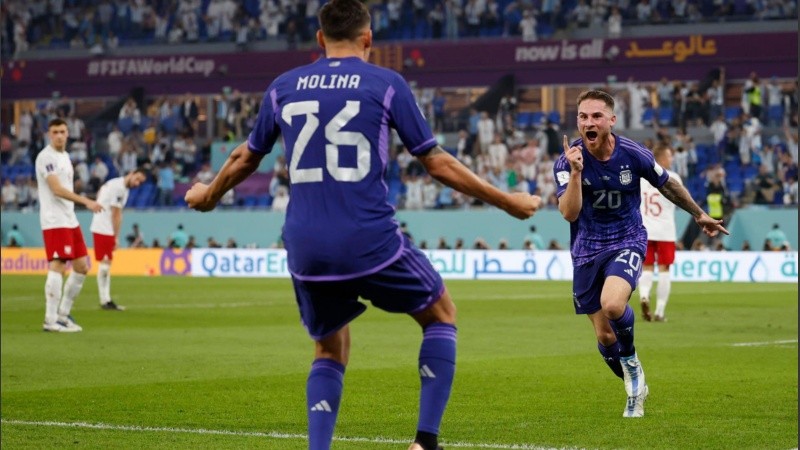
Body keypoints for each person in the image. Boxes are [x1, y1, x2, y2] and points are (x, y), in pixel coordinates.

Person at [185, 1, 542, 448]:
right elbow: (435, 161)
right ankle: (424, 442)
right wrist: (506, 201)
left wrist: (209, 194)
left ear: (320, 39)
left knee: (329, 348)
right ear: (368, 38)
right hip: (367, 235)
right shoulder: (386, 84)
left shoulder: (283, 87)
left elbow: (245, 156)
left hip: (305, 243)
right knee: (440, 315)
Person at [554, 90, 728, 418]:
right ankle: (633, 379)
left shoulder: (633, 154)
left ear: (611, 120)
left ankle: (632, 362)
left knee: (614, 304)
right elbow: (569, 214)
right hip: (586, 250)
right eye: (582, 117)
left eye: (596, 116)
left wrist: (698, 213)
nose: (588, 122)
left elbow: (667, 184)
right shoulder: (567, 161)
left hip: (627, 240)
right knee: (605, 336)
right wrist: (576, 173)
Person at [35, 118, 104, 332]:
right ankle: (50, 319)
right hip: (55, 219)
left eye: (62, 131)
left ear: (68, 134)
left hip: (69, 218)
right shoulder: (46, 157)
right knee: (58, 264)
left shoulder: (65, 157)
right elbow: (56, 189)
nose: (58, 135)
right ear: (49, 134)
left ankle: (63, 314)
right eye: (54, 131)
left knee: (82, 266)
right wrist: (86, 201)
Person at [89, 168, 148, 311]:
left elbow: (101, 191)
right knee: (105, 264)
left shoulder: (116, 184)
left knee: (106, 263)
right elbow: (116, 214)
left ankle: (106, 299)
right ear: (132, 172)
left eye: (140, 182)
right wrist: (116, 237)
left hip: (102, 226)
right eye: (137, 179)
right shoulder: (120, 189)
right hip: (104, 228)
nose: (137, 183)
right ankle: (105, 300)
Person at [638, 143, 681, 322]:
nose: (671, 159)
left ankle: (644, 295)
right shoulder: (672, 177)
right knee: (664, 269)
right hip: (665, 231)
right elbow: (680, 199)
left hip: (645, 230)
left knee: (646, 267)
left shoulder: (642, 178)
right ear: (662, 158)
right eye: (669, 156)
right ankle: (660, 311)